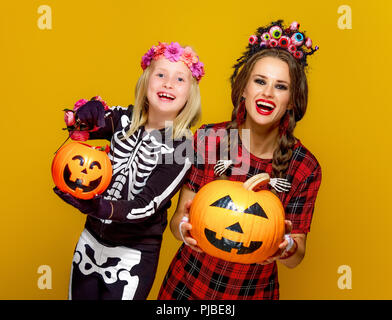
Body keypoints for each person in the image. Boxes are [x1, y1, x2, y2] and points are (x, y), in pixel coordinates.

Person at [158, 20, 322, 300]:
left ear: (292, 100)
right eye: (260, 81)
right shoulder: (208, 139)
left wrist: (286, 247)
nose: (267, 92)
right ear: (243, 88)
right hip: (185, 289)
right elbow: (176, 222)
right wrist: (184, 230)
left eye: (280, 86)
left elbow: (297, 255)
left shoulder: (305, 167)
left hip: (252, 294)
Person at [53, 41, 205, 300]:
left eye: (179, 79)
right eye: (160, 75)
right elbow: (78, 127)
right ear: (146, 81)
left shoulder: (182, 148)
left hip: (133, 255)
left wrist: (97, 207)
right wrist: (84, 114)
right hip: (90, 242)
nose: (168, 84)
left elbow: (147, 205)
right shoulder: (123, 119)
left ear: (190, 94)